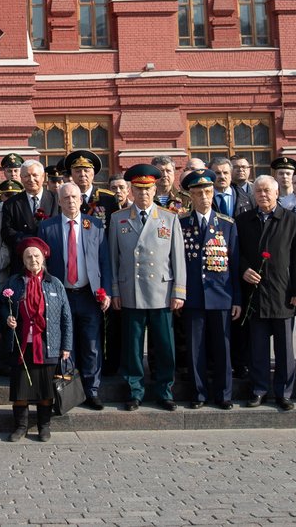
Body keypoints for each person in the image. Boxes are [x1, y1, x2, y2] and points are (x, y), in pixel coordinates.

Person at [106, 164, 187, 411]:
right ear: (131, 191)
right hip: (132, 291)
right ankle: (135, 391)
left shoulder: (169, 217)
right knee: (132, 347)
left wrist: (179, 291)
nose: (143, 194)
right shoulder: (118, 218)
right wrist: (116, 290)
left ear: (155, 190)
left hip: (161, 292)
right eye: (139, 190)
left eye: (148, 189)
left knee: (165, 346)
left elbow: (178, 258)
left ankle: (164, 390)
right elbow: (113, 258)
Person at [237, 175, 296, 410]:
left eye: (267, 191)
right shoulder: (243, 220)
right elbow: (236, 254)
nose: (263, 195)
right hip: (255, 294)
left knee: (285, 349)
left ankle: (284, 392)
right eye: (258, 191)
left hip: (282, 293)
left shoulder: (292, 220)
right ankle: (259, 390)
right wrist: (244, 269)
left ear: (277, 193)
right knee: (257, 348)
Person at [38, 182, 110, 410]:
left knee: (91, 344)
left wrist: (106, 291)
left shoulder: (95, 225)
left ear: (81, 200)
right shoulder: (47, 227)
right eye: (66, 197)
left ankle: (92, 390)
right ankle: (70, 390)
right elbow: (43, 265)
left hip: (89, 295)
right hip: (61, 296)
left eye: (74, 197)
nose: (70, 201)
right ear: (59, 201)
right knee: (65, 345)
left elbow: (104, 261)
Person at [0, 236, 73, 442]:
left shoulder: (54, 284)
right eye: (28, 257)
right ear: (23, 260)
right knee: (20, 389)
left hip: (48, 344)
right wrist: (8, 317)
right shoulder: (14, 282)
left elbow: (66, 317)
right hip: (21, 343)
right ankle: (20, 426)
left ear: (44, 258)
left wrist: (66, 346)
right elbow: (3, 304)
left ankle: (43, 426)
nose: (33, 260)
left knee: (45, 389)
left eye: (37, 256)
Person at [176, 165, 239, 410]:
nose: (204, 197)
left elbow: (233, 265)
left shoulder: (227, 224)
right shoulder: (181, 224)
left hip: (221, 295)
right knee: (195, 349)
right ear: (190, 195)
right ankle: (199, 393)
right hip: (192, 297)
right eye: (198, 192)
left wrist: (237, 299)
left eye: (208, 192)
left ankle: (224, 394)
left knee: (222, 348)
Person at [0, 158, 57, 253]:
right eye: (26, 176)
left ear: (43, 177)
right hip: (23, 256)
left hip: (51, 254)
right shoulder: (11, 204)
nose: (31, 179)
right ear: (21, 178)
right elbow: (7, 232)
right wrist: (29, 242)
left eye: (35, 175)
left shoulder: (56, 199)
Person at [65, 149, 120, 224]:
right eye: (78, 171)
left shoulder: (109, 198)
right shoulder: (64, 198)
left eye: (86, 170)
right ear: (71, 174)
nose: (82, 174)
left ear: (93, 173)